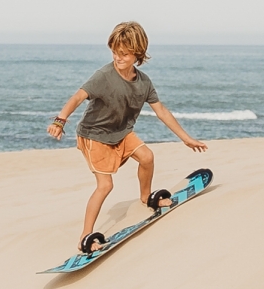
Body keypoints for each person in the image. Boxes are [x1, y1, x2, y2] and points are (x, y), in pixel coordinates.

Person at [47, 21, 207, 253]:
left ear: (137, 54)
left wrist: (186, 138)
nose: (117, 58)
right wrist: (60, 121)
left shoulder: (143, 82)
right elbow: (77, 97)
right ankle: (85, 236)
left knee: (147, 157)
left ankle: (145, 198)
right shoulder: (103, 76)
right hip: (95, 136)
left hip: (121, 132)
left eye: (124, 54)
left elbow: (161, 110)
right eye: (114, 52)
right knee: (105, 185)